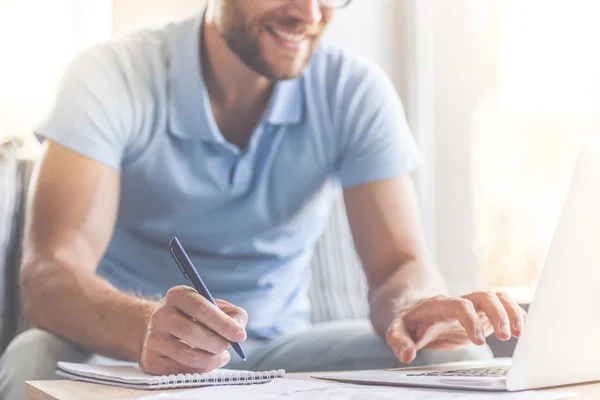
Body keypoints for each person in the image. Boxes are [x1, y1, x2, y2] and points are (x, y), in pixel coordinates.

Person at [0, 0, 525, 398]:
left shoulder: (354, 90)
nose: (310, 12)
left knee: (448, 349)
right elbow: (50, 276)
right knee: (32, 354)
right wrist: (146, 330)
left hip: (277, 350)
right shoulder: (111, 76)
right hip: (123, 349)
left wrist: (413, 309)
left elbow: (400, 267)